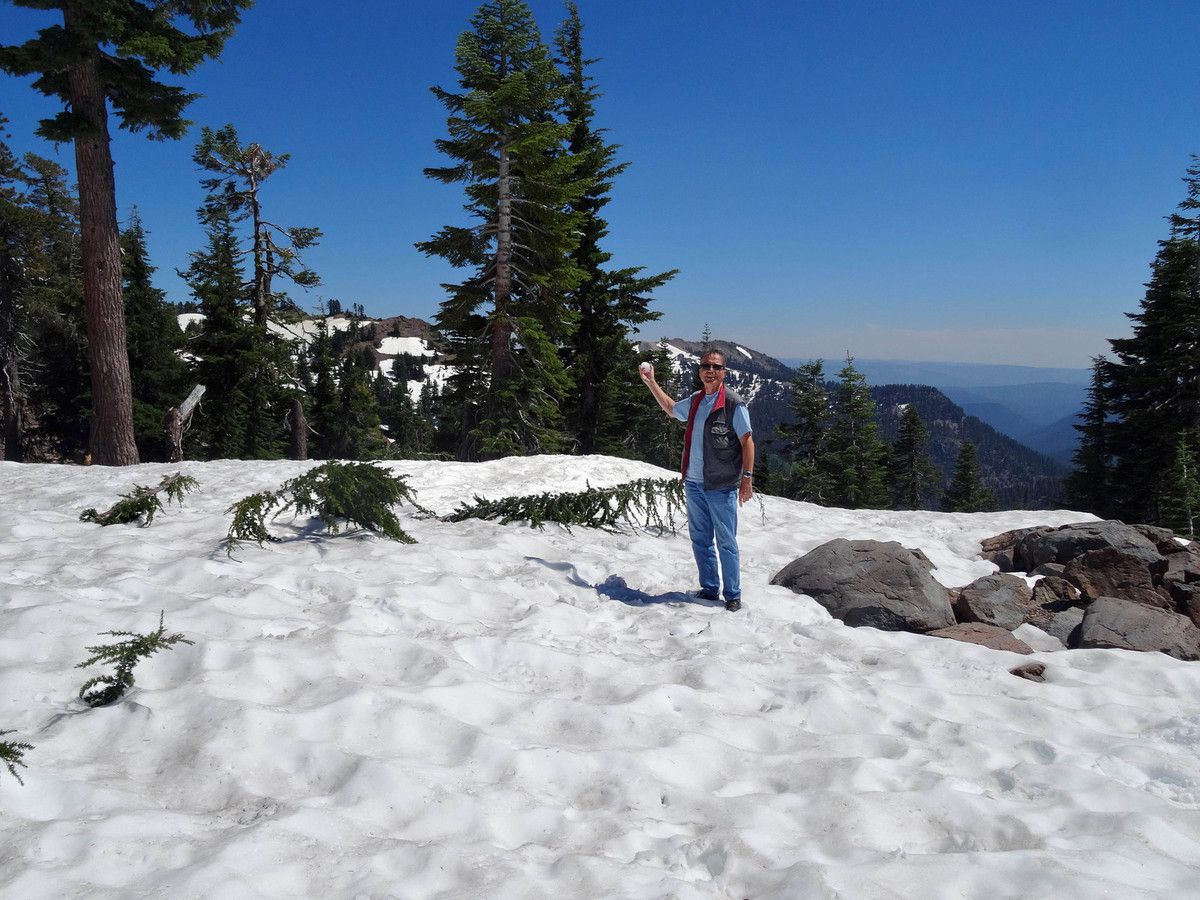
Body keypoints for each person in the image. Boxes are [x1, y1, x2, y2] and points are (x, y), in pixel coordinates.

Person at [639, 349, 754, 611]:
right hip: (693, 483)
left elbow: (747, 442)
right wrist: (651, 382)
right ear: (700, 371)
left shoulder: (734, 404)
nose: (710, 371)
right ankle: (710, 589)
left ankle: (733, 594)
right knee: (701, 540)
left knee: (726, 542)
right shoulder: (695, 400)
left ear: (724, 372)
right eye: (705, 366)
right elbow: (670, 409)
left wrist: (746, 477)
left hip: (721, 486)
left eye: (715, 367)